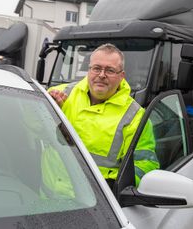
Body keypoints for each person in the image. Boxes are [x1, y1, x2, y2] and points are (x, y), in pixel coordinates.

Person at [48, 43, 159, 188]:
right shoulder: (58, 95)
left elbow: (145, 164)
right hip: (47, 195)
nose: (101, 75)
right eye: (97, 68)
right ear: (89, 70)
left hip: (96, 204)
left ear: (121, 76)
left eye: (110, 70)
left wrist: (116, 188)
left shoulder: (135, 116)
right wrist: (51, 112)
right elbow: (31, 130)